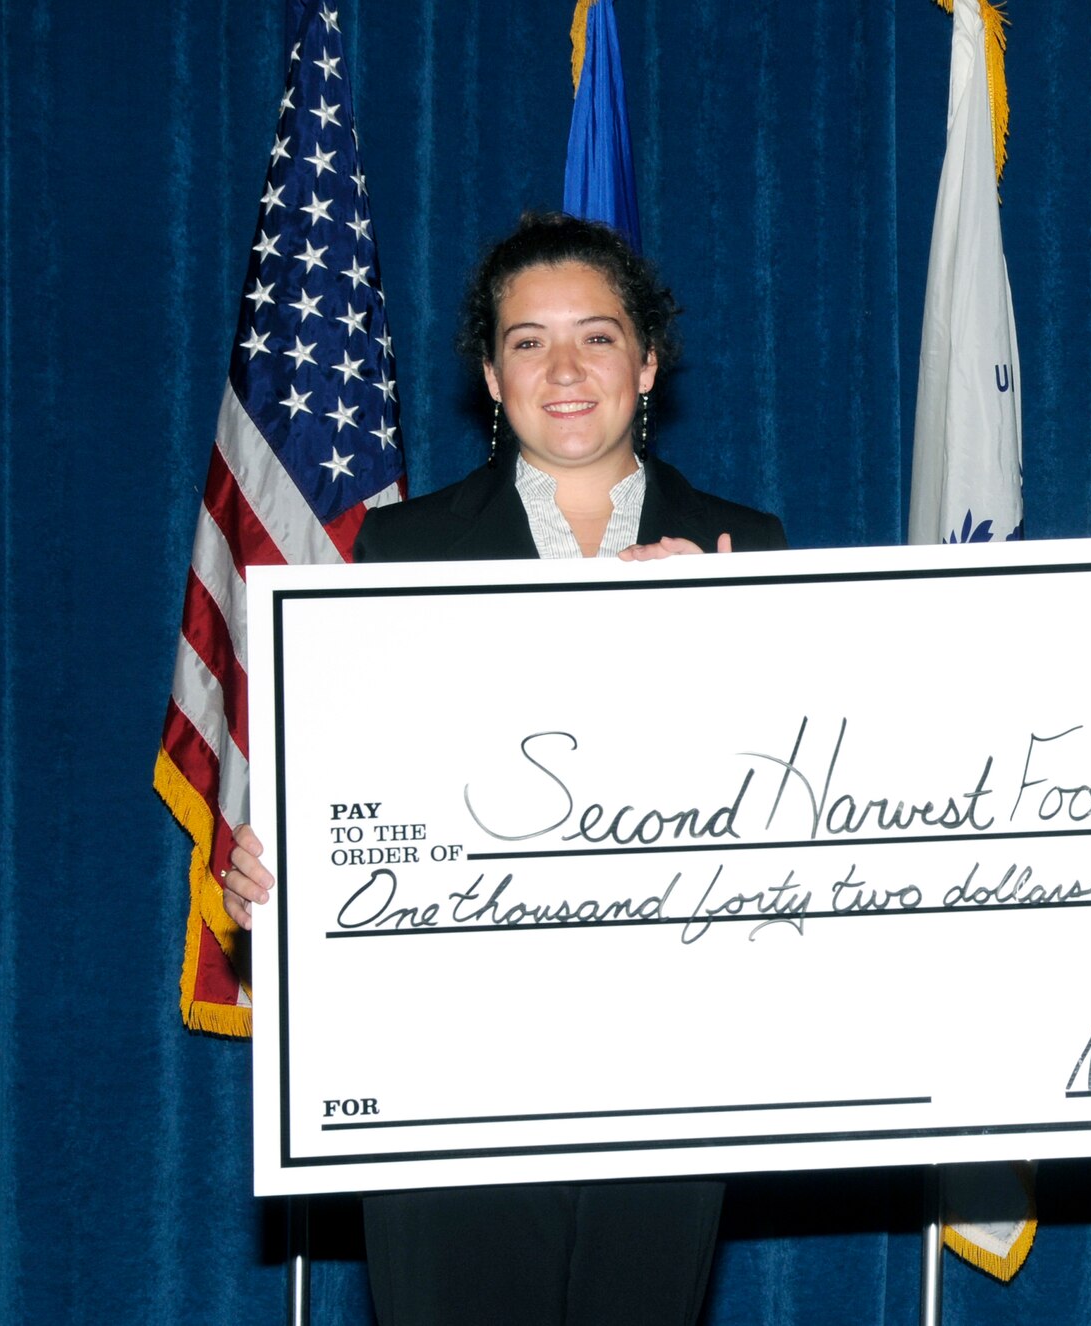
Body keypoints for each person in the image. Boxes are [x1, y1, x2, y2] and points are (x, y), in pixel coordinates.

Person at [222, 210, 785, 1326]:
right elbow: (355, 795)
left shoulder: (745, 550)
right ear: (488, 374)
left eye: (597, 336)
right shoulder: (398, 550)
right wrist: (280, 874)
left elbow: (796, 812)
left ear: (649, 361)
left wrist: (725, 642)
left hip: (668, 1064)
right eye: (528, 342)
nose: (564, 370)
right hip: (450, 1072)